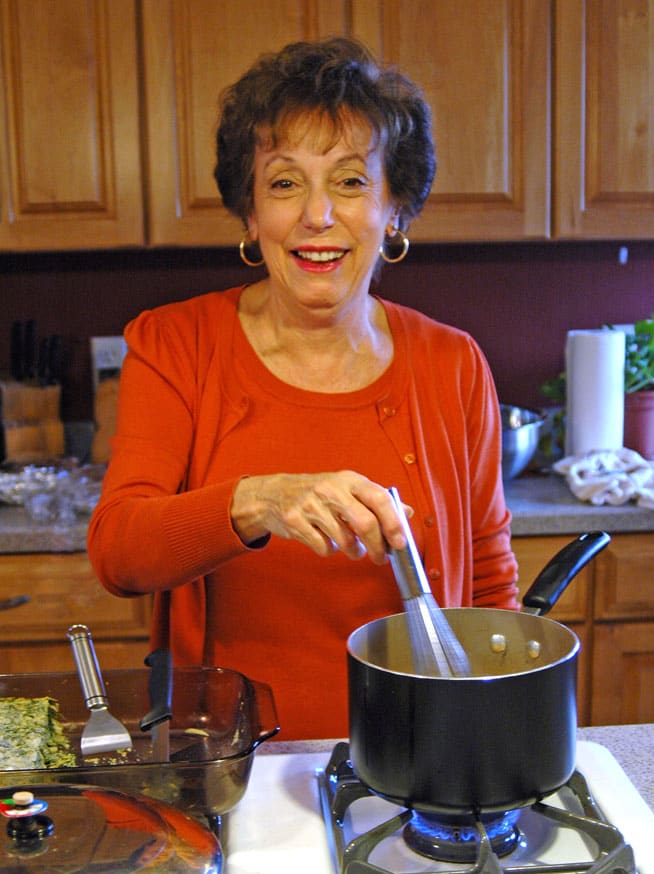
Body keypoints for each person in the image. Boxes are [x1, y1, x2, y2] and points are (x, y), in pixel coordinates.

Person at [87, 36, 519, 740]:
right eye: (285, 183)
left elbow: (490, 583)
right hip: (232, 765)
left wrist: (495, 733)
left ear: (395, 211)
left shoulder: (453, 363)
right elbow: (120, 553)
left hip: (421, 759)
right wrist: (260, 500)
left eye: (350, 181)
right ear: (252, 216)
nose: (318, 216)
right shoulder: (175, 346)